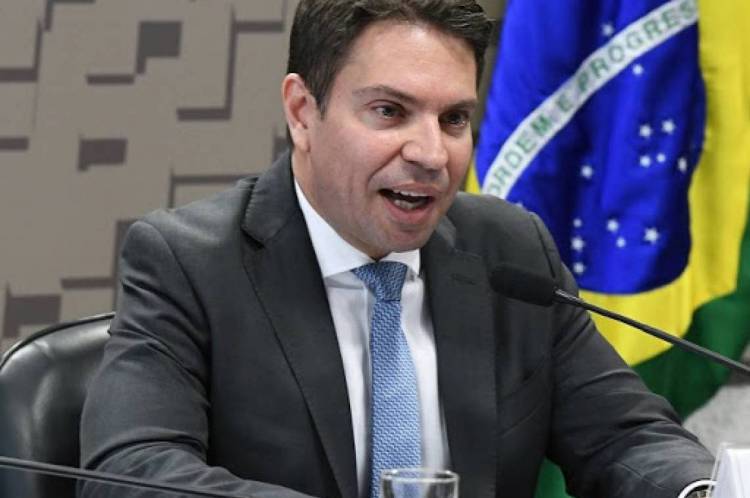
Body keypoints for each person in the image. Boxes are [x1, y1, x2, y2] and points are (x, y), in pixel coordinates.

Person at [79, 1, 714, 498]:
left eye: (454, 119)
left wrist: (701, 490)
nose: (432, 154)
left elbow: (626, 438)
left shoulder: (512, 251)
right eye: (390, 111)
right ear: (302, 111)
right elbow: (132, 470)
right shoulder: (190, 262)